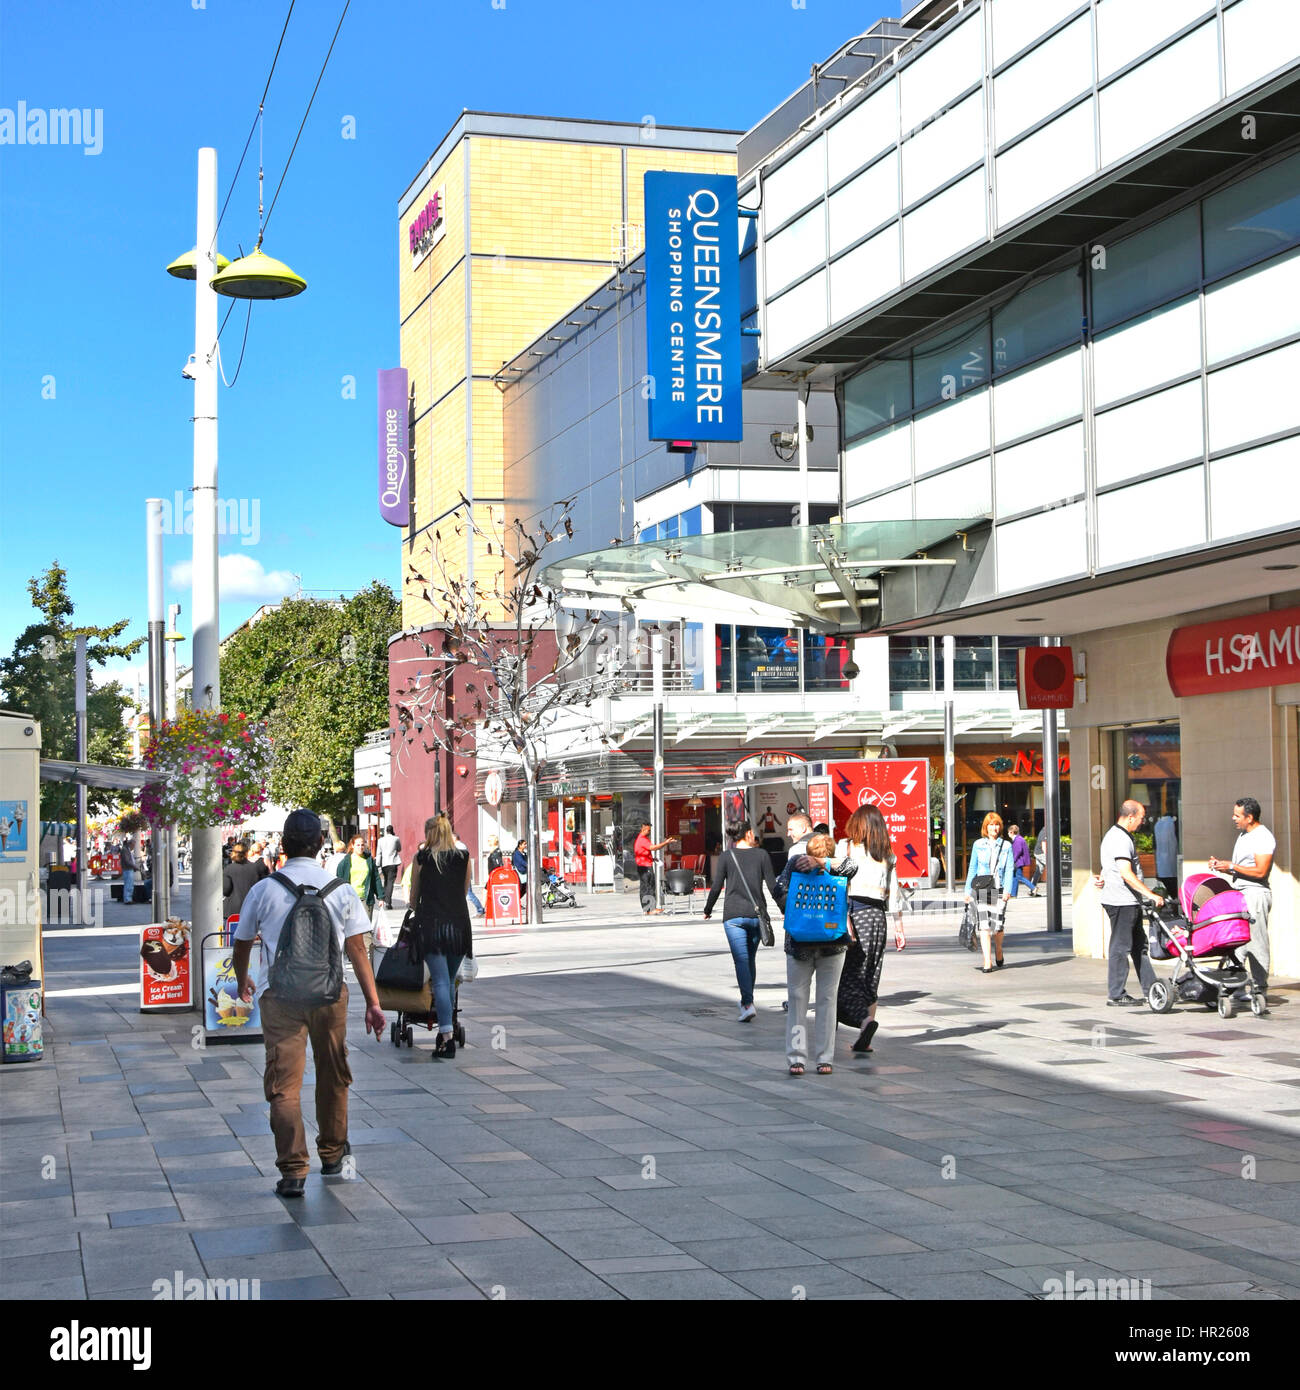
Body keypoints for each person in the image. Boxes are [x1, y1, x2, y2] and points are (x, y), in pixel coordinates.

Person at [231, 809, 385, 1197]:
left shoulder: (265, 889)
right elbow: (358, 951)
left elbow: (242, 941)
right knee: (334, 1073)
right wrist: (374, 1003)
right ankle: (332, 1154)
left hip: (279, 997)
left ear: (283, 845)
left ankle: (293, 1170)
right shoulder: (341, 888)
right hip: (330, 996)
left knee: (284, 1086)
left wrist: (242, 979)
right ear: (320, 844)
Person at [783, 833, 857, 1075]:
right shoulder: (797, 864)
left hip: (816, 942)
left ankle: (798, 1058)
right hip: (818, 942)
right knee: (823, 1000)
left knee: (799, 1000)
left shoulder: (838, 868)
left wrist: (822, 864)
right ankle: (823, 1058)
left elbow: (853, 865)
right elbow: (779, 887)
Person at [837, 804, 904, 1053]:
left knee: (848, 975)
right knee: (871, 976)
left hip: (855, 914)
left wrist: (844, 920)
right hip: (879, 917)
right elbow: (894, 893)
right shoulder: (887, 854)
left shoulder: (847, 848)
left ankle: (864, 1022)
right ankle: (866, 1033)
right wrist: (899, 928)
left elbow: (839, 885)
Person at [703, 820, 783, 1023]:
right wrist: (784, 908)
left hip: (733, 917)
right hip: (757, 916)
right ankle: (748, 1001)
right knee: (750, 959)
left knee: (741, 960)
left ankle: (747, 1003)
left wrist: (708, 909)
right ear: (748, 834)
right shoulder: (762, 855)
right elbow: (773, 886)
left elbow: (716, 886)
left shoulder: (726, 856)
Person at [409, 813, 474, 1058]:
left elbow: (414, 898)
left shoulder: (421, 858)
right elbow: (464, 890)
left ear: (430, 834)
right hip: (458, 926)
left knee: (439, 981)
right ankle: (446, 1032)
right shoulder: (464, 857)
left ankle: (446, 1037)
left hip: (432, 925)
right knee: (447, 980)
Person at [1099, 799, 1165, 1006]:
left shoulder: (1118, 835)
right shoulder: (1120, 838)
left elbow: (1111, 867)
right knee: (1121, 947)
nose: (1142, 822)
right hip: (1122, 902)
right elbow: (1126, 874)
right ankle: (1116, 994)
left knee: (1139, 946)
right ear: (1130, 817)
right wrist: (1151, 894)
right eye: (1141, 818)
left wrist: (1103, 877)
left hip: (1127, 901)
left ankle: (1151, 989)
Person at [1209, 796, 1274, 994]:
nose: (1233, 818)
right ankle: (1235, 985)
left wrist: (1232, 866)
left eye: (1237, 815)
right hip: (1240, 893)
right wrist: (1223, 867)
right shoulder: (1244, 835)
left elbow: (1261, 871)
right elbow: (1242, 869)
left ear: (1250, 817)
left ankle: (1259, 987)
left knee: (1256, 941)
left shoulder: (1263, 837)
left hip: (1255, 894)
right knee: (1236, 940)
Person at [964, 812, 1015, 974]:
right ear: (986, 827)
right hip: (983, 889)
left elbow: (1009, 869)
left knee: (997, 926)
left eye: (997, 824)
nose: (994, 827)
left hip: (999, 888)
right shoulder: (978, 845)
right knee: (984, 926)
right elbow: (972, 868)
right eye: (991, 824)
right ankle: (987, 960)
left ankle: (998, 949)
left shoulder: (1006, 846)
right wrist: (967, 891)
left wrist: (1008, 890)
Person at [633, 821, 676, 916]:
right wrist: (666, 842)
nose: (649, 832)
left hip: (643, 865)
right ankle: (650, 909)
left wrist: (651, 858)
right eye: (648, 830)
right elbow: (653, 848)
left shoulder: (640, 839)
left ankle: (647, 909)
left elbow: (642, 852)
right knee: (649, 887)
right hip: (645, 867)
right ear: (643, 829)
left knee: (645, 887)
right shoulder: (642, 839)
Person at [221, 843, 263, 926]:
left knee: (230, 936)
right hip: (251, 908)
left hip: (232, 910)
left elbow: (226, 891)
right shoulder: (255, 868)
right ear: (246, 853)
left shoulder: (229, 869)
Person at [775, 812, 813, 897]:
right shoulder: (830, 844)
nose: (788, 834)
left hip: (804, 900)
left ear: (803, 828)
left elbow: (787, 881)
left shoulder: (795, 850)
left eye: (791, 830)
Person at [454, 834, 486, 917]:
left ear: (455, 838)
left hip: (463, 873)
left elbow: (460, 860)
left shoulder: (459, 846)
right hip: (463, 873)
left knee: (469, 894)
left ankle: (480, 909)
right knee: (465, 893)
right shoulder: (459, 846)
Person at [376, 825, 402, 910]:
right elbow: (399, 849)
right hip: (393, 862)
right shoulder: (396, 839)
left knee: (386, 881)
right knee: (390, 882)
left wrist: (377, 863)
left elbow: (378, 853)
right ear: (392, 830)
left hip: (384, 863)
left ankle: (384, 899)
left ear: (386, 831)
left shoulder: (380, 840)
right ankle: (388, 902)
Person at [1154, 813, 1179, 901]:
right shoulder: (1175, 824)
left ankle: (1174, 904)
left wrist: (1156, 868)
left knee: (1172, 891)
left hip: (1162, 866)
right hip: (1174, 865)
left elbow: (1155, 847)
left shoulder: (1157, 825)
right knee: (1176, 892)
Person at [1009, 823, 1035, 898]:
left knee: (1019, 877)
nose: (1008, 834)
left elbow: (1017, 851)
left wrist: (1012, 860)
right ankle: (1013, 894)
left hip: (1018, 862)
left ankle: (1033, 888)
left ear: (1012, 832)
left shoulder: (1017, 840)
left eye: (1008, 832)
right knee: (1015, 877)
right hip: (1019, 861)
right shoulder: (1019, 838)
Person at [120, 836, 139, 905]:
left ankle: (129, 898)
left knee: (130, 885)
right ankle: (127, 899)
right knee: (128, 885)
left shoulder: (127, 850)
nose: (134, 847)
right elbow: (127, 861)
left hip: (129, 869)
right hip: (127, 869)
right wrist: (134, 866)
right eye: (133, 845)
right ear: (130, 844)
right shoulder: (125, 850)